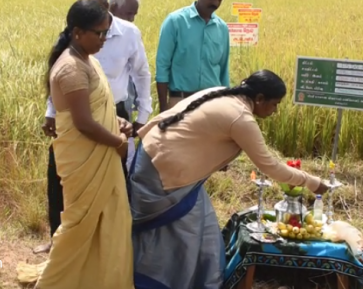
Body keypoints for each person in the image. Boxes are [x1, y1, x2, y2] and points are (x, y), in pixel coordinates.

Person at [128, 70, 329, 289]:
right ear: (259, 99)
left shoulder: (224, 94)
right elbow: (270, 166)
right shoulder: (240, 118)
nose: (275, 111)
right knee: (185, 237)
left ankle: (207, 283)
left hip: (159, 159)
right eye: (274, 104)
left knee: (207, 234)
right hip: (164, 174)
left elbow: (197, 130)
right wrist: (312, 182)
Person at [16, 0, 134, 289]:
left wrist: (116, 122)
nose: (104, 39)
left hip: (99, 153)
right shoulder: (70, 69)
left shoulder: (87, 59)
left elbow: (96, 110)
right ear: (78, 32)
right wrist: (118, 141)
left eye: (107, 33)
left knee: (107, 223)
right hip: (86, 159)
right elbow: (82, 122)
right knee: (78, 226)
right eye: (99, 33)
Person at [35, 0, 152, 254]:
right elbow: (63, 85)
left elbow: (142, 74)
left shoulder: (127, 34)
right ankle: (63, 242)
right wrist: (51, 112)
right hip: (81, 124)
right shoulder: (74, 43)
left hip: (115, 113)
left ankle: (106, 245)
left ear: (104, 7)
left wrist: (140, 116)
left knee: (114, 185)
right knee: (62, 183)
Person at [156, 0, 230, 113]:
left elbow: (223, 71)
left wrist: (225, 105)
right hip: (180, 103)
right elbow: (162, 66)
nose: (216, 3)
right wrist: (163, 107)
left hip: (212, 104)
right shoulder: (175, 22)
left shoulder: (222, 28)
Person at [109, 0, 141, 172]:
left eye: (134, 14)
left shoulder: (130, 32)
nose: (132, 19)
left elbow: (141, 72)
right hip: (102, 108)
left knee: (124, 160)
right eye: (129, 13)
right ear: (112, 7)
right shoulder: (93, 35)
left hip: (124, 106)